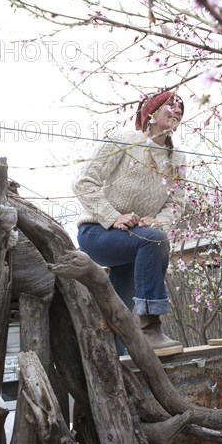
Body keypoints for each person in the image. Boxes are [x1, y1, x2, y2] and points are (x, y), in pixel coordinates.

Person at [72, 90, 186, 356]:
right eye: (171, 105)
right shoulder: (124, 140)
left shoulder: (177, 158)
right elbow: (83, 182)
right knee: (154, 239)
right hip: (98, 233)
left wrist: (156, 221)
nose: (177, 110)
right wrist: (113, 217)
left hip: (136, 245)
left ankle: (118, 361)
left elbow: (177, 204)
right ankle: (151, 329)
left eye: (181, 108)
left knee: (118, 312)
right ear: (151, 112)